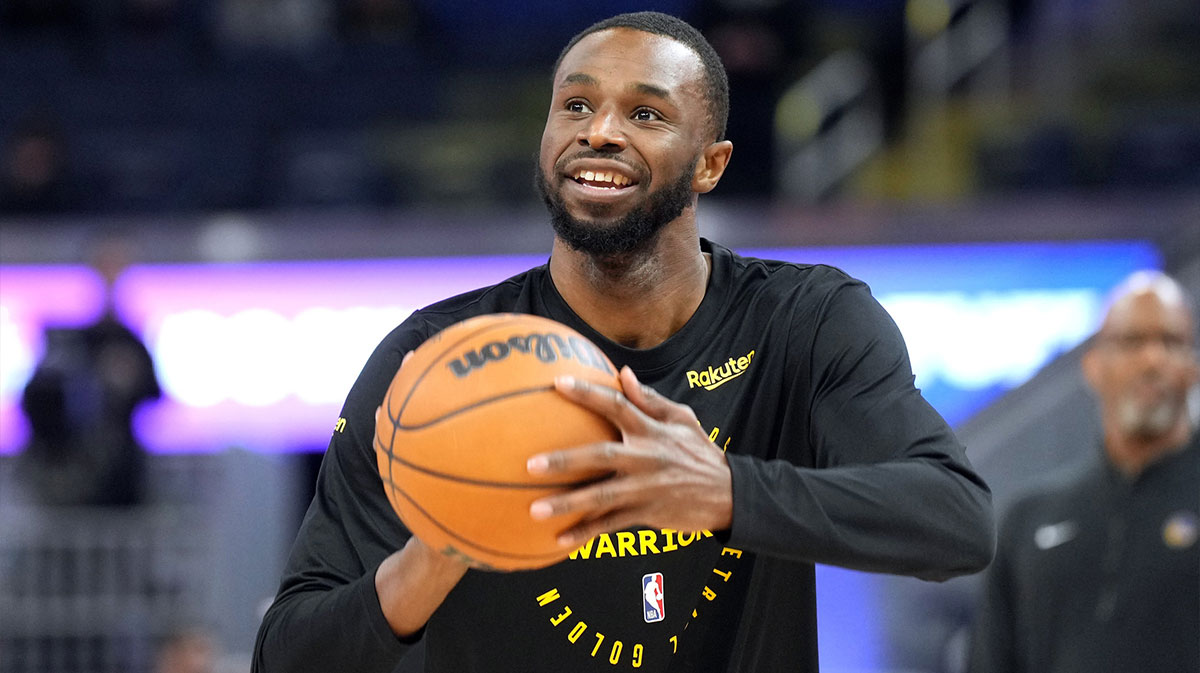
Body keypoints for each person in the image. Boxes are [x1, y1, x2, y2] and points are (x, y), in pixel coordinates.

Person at [253, 12, 994, 672]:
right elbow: (285, 654)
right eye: (575, 105)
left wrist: (726, 491)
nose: (599, 130)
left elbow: (955, 520)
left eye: (644, 112)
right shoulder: (435, 359)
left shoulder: (805, 320)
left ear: (711, 163)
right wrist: (431, 560)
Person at [967, 271, 1200, 673]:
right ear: (1093, 366)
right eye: (1132, 341)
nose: (1153, 359)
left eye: (1172, 342)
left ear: (1193, 368)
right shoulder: (1028, 521)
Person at [17, 234, 161, 506]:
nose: (111, 275)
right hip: (70, 475)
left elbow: (155, 394)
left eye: (118, 267)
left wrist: (129, 380)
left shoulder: (131, 341)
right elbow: (36, 402)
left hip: (121, 475)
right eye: (105, 265)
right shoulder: (68, 339)